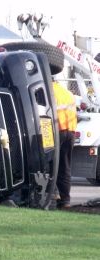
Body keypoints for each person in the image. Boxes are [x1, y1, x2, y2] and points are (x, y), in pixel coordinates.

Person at [53, 81, 77, 209]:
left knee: (50, 163)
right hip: (71, 131)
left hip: (57, 131)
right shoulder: (68, 93)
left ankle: (53, 194)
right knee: (65, 166)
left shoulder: (48, 90)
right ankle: (65, 200)